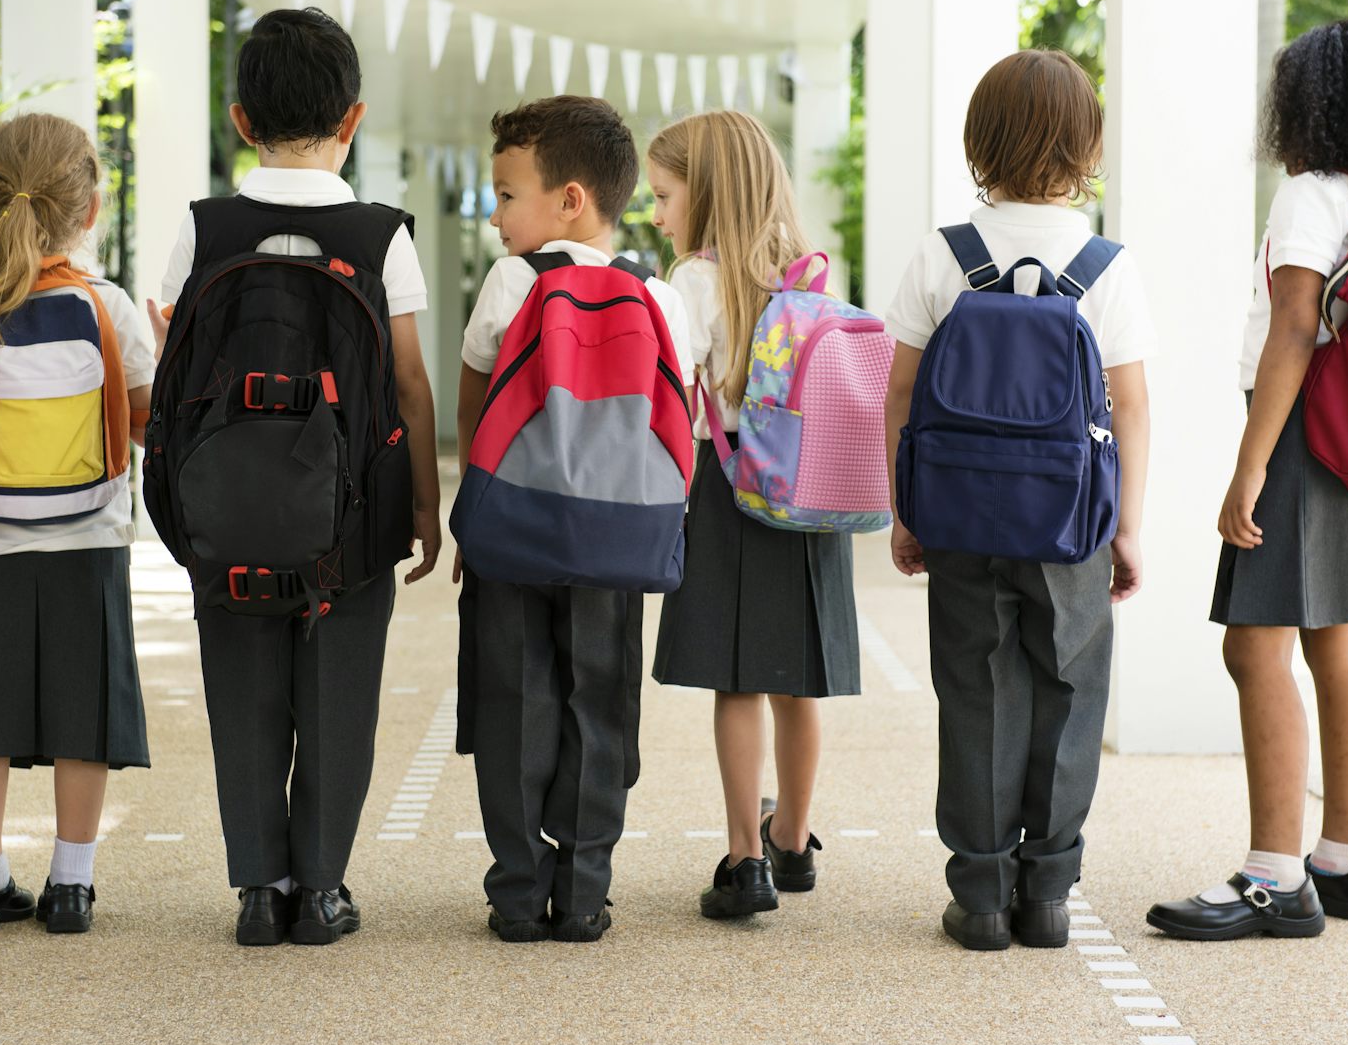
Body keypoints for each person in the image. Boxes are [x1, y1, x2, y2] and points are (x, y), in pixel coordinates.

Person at [1147, 20, 1348, 940]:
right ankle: (1347, 859)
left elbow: (1294, 330)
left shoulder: (1312, 195)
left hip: (1302, 435)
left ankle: (1274, 876)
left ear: (1312, 102)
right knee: (1338, 645)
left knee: (1254, 648)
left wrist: (1247, 468)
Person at [153, 7, 442, 947]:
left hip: (225, 514)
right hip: (350, 517)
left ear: (239, 120)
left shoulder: (202, 231)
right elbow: (406, 379)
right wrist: (427, 505)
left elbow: (173, 377)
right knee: (340, 690)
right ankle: (322, 888)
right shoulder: (382, 234)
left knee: (242, 692)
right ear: (352, 118)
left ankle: (258, 890)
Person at [882, 49, 1154, 951]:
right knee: (1070, 689)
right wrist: (1127, 526)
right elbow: (1132, 404)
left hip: (960, 515)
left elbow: (901, 393)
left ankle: (983, 897)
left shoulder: (943, 253)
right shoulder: (1105, 264)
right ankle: (1047, 892)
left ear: (979, 140)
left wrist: (905, 507)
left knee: (974, 687)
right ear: (1087, 143)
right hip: (1069, 518)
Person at [451, 96, 693, 943]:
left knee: (515, 698)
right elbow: (680, 415)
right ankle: (586, 888)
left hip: (515, 531)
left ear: (570, 199)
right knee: (601, 701)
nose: (495, 211)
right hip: (614, 539)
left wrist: (467, 516)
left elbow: (477, 392)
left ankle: (518, 891)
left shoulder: (515, 280)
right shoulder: (656, 294)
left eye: (507, 194)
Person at [0, 112, 154, 936]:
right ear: (89, 210)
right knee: (83, 708)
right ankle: (71, 885)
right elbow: (142, 421)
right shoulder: (109, 307)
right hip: (89, 538)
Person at [648, 110, 859, 920]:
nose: (659, 215)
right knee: (795, 683)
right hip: (808, 492)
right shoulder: (809, 274)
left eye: (666, 196)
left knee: (736, 682)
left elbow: (669, 399)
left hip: (726, 484)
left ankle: (744, 861)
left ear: (705, 192)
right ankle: (794, 842)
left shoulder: (691, 284)